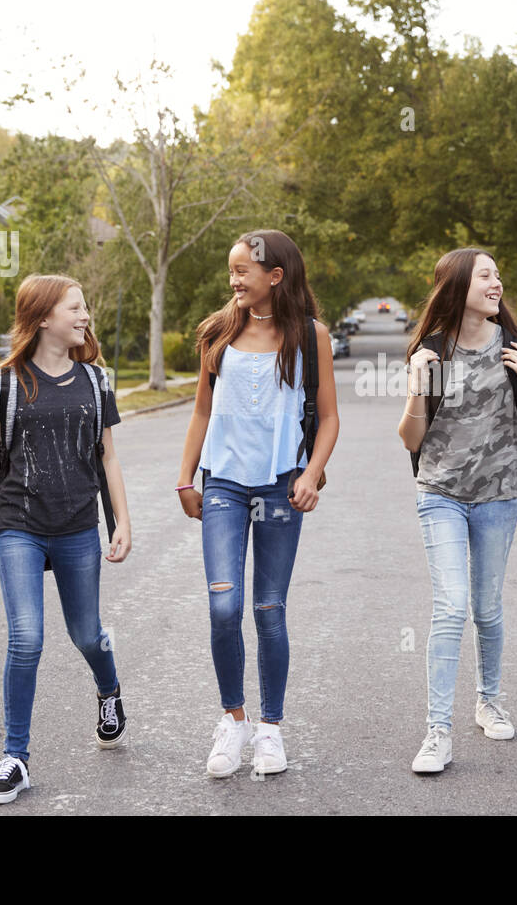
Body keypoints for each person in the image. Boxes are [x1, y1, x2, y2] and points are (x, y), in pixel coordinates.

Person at [0, 274, 132, 804]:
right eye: (76, 307)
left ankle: (109, 691)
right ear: (45, 317)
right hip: (18, 525)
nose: (85, 315)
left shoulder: (95, 382)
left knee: (88, 634)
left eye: (85, 307)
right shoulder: (5, 384)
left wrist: (122, 522)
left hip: (76, 526)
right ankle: (15, 758)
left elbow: (108, 458)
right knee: (26, 638)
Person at [175, 229, 338, 778]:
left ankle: (270, 729)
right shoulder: (217, 333)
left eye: (243, 271)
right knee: (224, 606)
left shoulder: (310, 336)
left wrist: (312, 474)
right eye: (231, 270)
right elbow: (201, 411)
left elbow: (329, 417)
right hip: (221, 484)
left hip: (279, 485)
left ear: (276, 276)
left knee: (269, 608)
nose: (233, 280)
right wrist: (184, 479)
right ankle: (232, 721)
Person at [398, 247, 517, 774]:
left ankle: (488, 700)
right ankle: (437, 730)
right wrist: (418, 385)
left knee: (486, 606)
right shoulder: (432, 353)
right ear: (458, 285)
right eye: (486, 274)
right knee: (451, 605)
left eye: (498, 274)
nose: (496, 282)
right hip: (439, 491)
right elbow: (410, 437)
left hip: (499, 495)